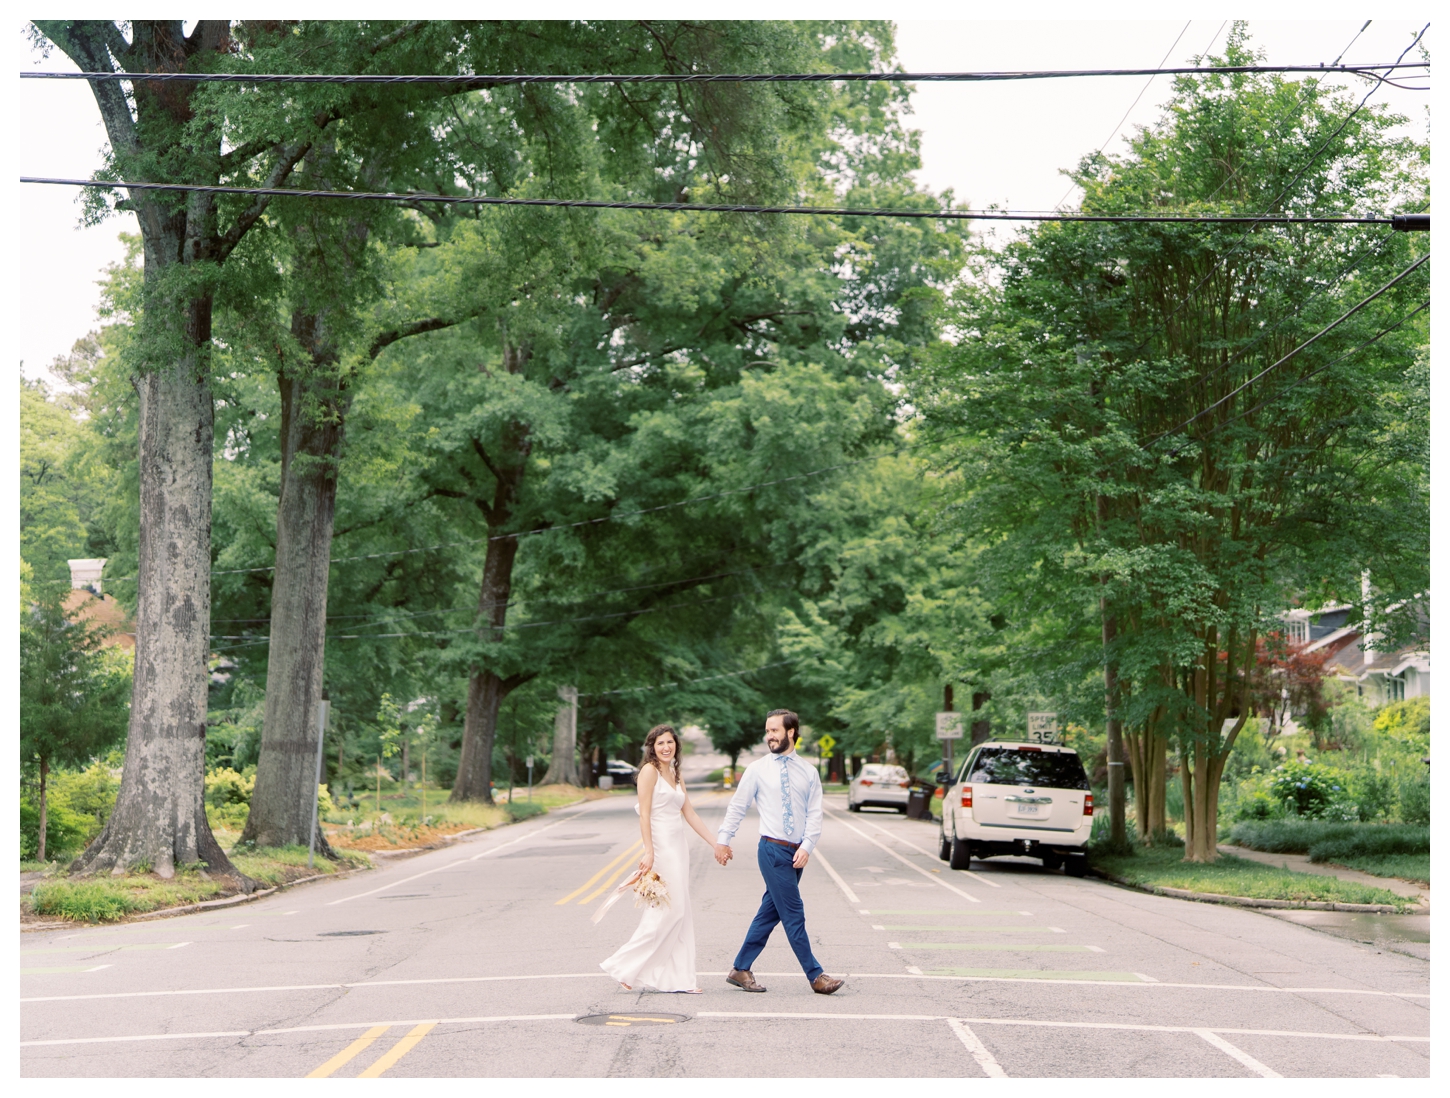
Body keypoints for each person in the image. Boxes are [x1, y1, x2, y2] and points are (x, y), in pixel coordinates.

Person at [714, 708, 843, 995]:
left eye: (774, 730)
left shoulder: (809, 772)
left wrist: (807, 846)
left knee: (770, 912)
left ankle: (740, 968)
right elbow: (738, 806)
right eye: (767, 730)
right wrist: (723, 840)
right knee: (794, 913)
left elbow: (815, 815)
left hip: (797, 854)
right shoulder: (757, 769)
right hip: (771, 851)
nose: (769, 736)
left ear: (791, 732)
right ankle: (816, 976)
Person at [600, 724, 721, 993]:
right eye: (660, 743)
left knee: (681, 911)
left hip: (678, 847)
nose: (666, 747)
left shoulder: (675, 772)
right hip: (661, 847)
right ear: (652, 748)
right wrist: (649, 851)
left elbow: (689, 813)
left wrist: (716, 843)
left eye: (669, 742)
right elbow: (644, 814)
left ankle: (681, 979)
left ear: (676, 744)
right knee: (671, 910)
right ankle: (625, 965)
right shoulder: (648, 772)